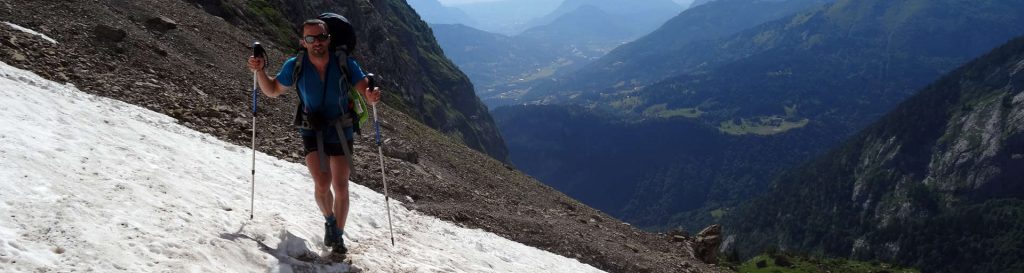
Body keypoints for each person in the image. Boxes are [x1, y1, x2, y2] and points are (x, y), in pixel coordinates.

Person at [247, 19, 381, 254]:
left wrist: (371, 96)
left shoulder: (344, 63)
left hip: (341, 127)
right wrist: (260, 71)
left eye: (321, 37)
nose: (316, 42)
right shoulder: (295, 65)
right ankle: (329, 219)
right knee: (322, 182)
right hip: (312, 128)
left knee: (340, 186)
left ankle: (337, 237)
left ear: (328, 39)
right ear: (303, 42)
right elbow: (273, 90)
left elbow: (363, 89)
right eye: (311, 38)